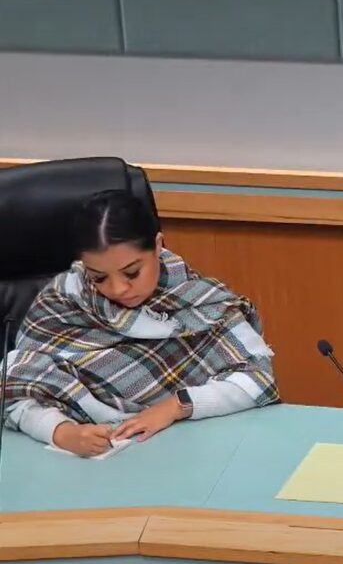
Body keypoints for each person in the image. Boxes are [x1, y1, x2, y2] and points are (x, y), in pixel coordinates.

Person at [3, 190, 279, 456]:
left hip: (186, 451)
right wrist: (61, 432)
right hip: (87, 464)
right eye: (99, 277)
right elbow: (14, 392)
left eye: (132, 272)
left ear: (158, 246)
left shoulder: (198, 302)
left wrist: (175, 406)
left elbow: (257, 378)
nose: (119, 289)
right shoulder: (62, 302)